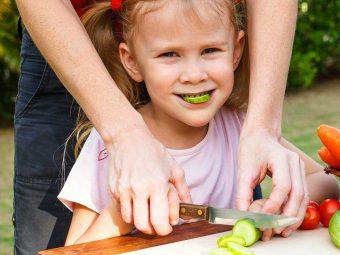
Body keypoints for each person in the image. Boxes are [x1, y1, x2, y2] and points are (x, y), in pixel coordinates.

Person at [14, 0, 302, 254]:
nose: (193, 74)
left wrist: (272, 207)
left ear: (236, 50)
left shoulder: (239, 128)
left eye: (210, 50)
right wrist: (122, 214)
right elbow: (76, 250)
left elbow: (323, 183)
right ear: (132, 61)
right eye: (170, 54)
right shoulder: (105, 150)